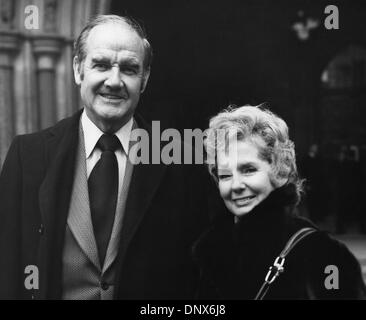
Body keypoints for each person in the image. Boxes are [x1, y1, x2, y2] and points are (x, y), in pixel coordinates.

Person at [0, 15, 208, 299]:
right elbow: (8, 267)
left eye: (129, 69)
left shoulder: (178, 159)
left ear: (144, 79)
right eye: (100, 65)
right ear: (77, 69)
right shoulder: (28, 155)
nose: (114, 81)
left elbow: (194, 277)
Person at [193, 105, 366, 299]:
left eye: (249, 169)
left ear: (279, 170)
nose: (235, 185)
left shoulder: (325, 254)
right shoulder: (211, 251)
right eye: (225, 175)